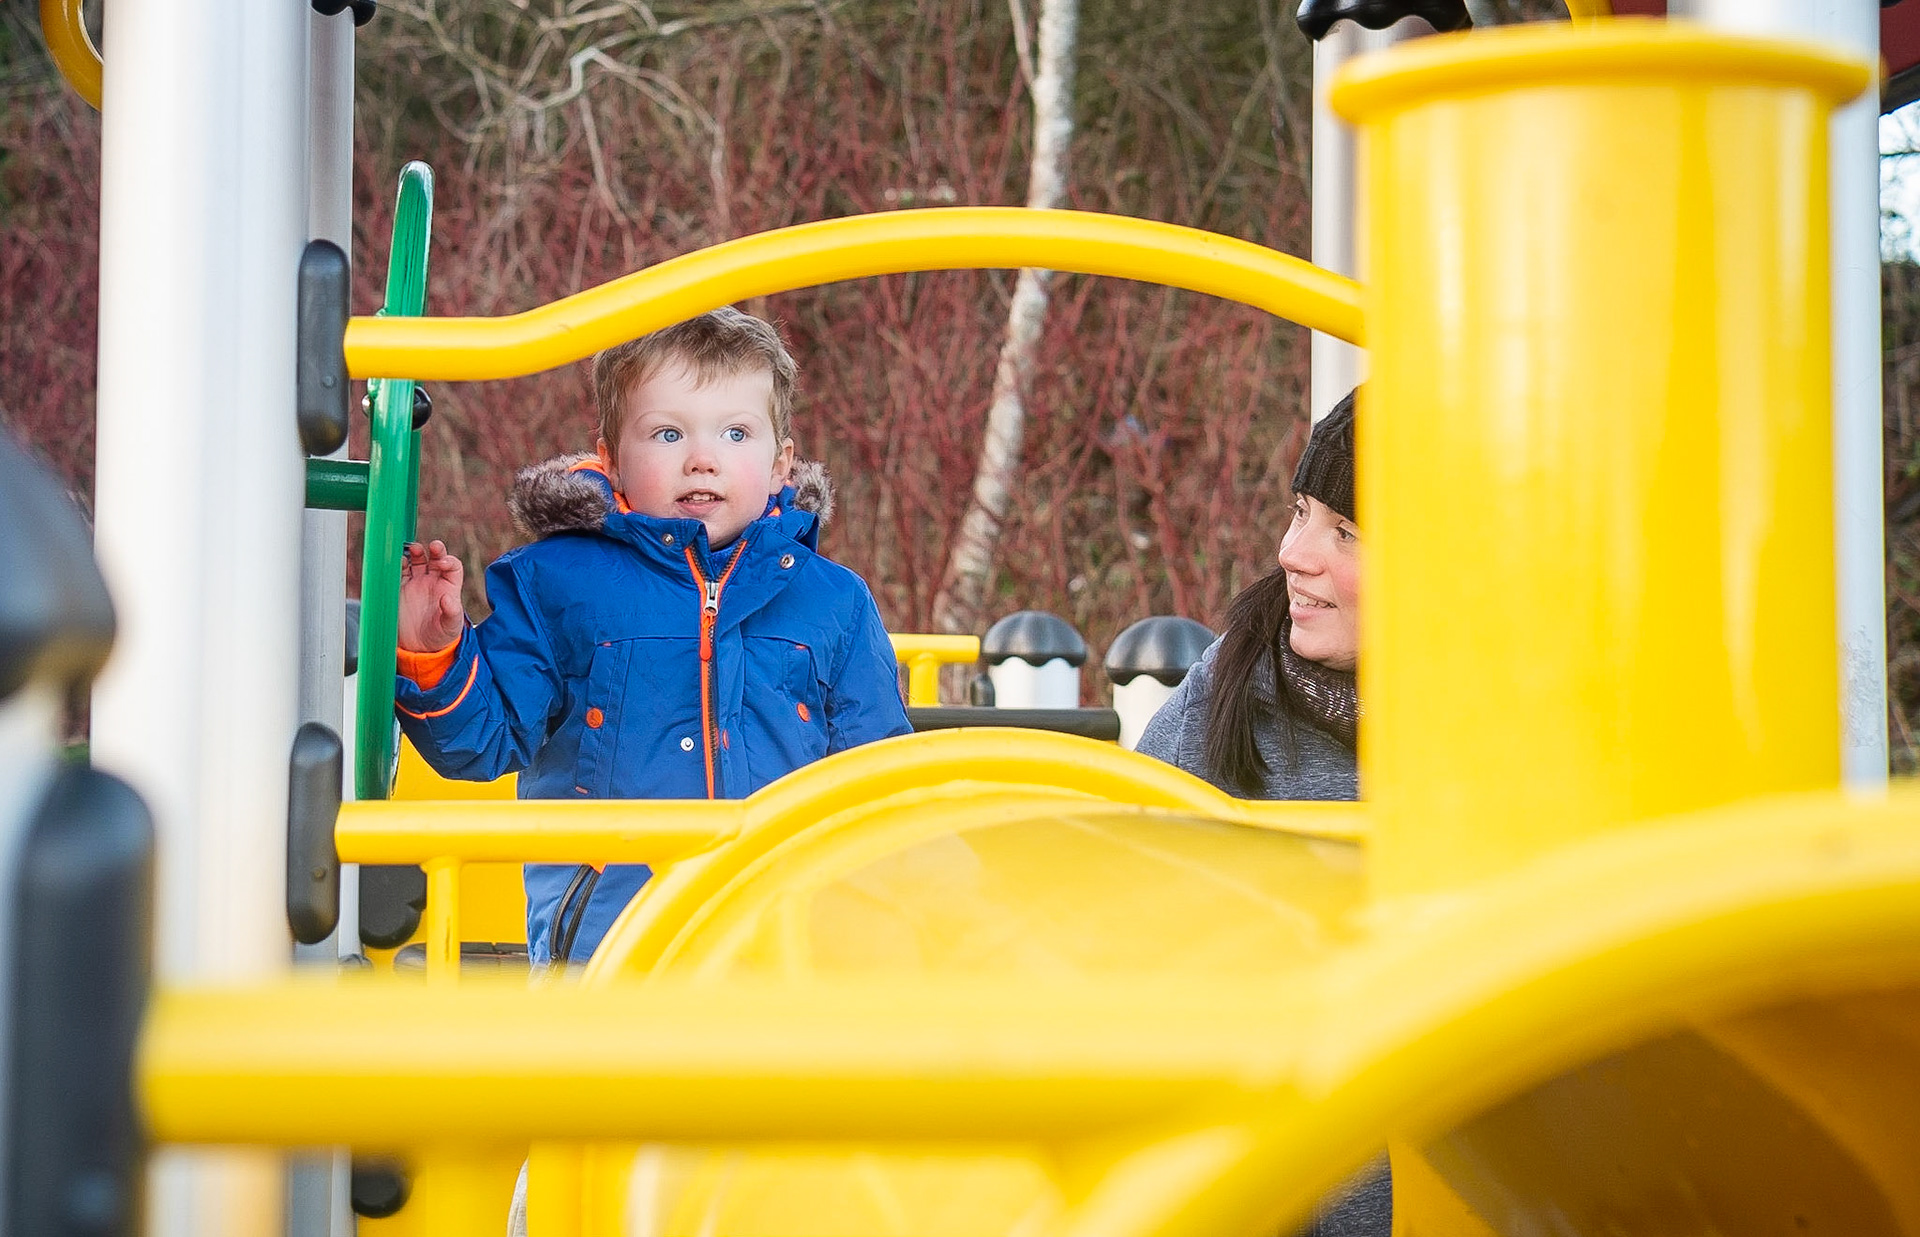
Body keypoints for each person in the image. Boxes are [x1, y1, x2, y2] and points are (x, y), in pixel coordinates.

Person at [393, 307, 912, 967]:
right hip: (611, 953)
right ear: (611, 460)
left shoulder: (834, 600)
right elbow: (480, 743)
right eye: (667, 433)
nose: (702, 459)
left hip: (781, 954)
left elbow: (877, 781)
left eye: (735, 432)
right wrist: (434, 651)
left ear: (782, 463)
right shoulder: (560, 582)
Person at [1136, 388, 1387, 1237]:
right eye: (1299, 512)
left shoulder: (1525, 729)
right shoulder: (1237, 681)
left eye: (1344, 532)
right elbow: (1124, 868)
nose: (1292, 553)